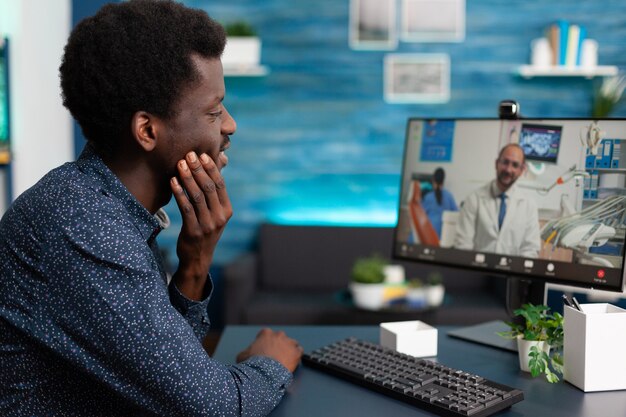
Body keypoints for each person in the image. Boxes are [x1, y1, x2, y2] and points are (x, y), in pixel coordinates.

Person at [0, 1, 302, 416]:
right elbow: (213, 408)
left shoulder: (108, 208)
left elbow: (167, 372)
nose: (230, 125)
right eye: (214, 111)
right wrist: (272, 362)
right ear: (147, 130)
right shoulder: (84, 226)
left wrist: (195, 263)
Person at [454, 143, 541, 258]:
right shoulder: (474, 199)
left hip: (512, 273)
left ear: (521, 170)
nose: (508, 169)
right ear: (496, 164)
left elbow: (530, 249)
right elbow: (463, 244)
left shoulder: (529, 205)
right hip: (477, 270)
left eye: (515, 165)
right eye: (505, 162)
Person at [421, 168, 458, 238]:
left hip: (429, 233)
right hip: (444, 235)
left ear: (433, 180)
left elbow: (421, 214)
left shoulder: (428, 197)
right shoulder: (449, 196)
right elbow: (456, 213)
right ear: (443, 181)